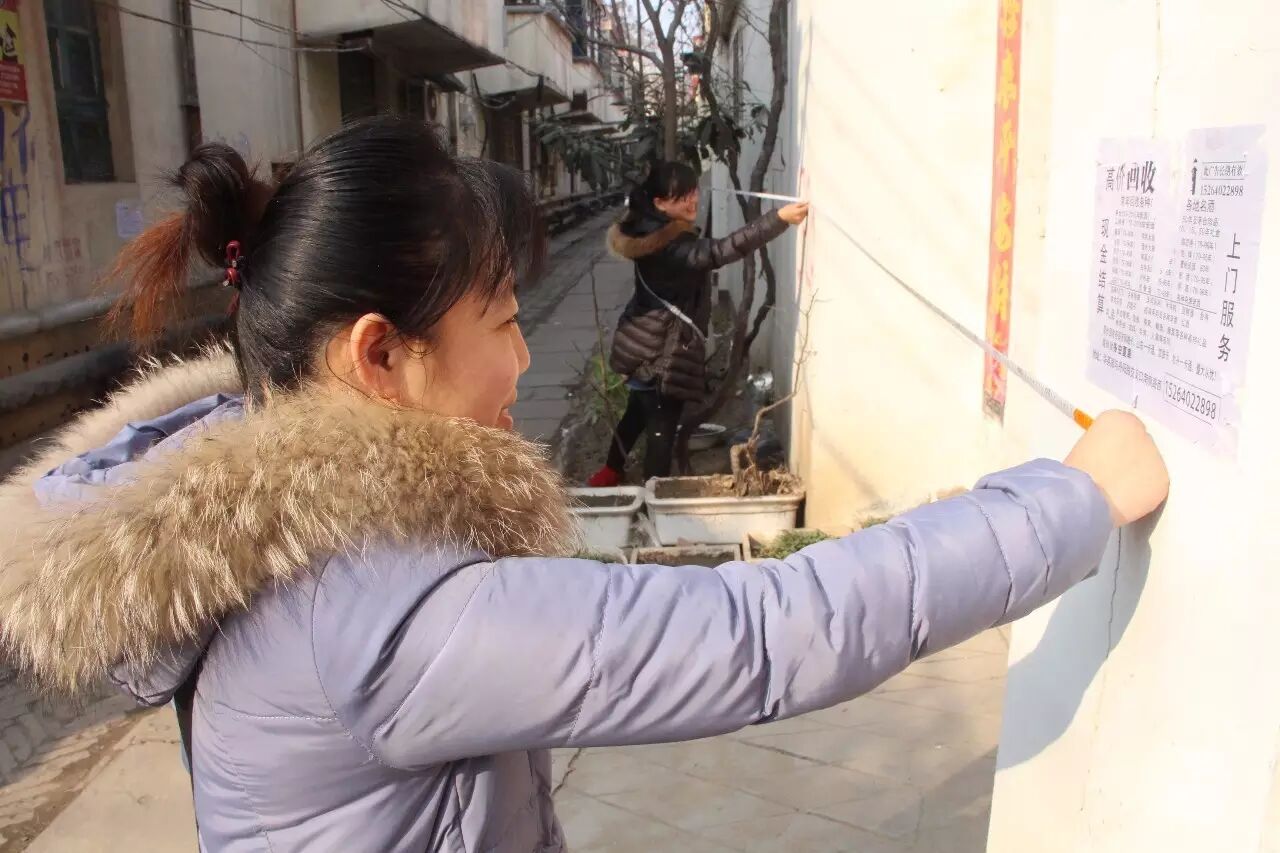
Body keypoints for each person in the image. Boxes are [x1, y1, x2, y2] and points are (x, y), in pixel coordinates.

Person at [0, 116, 1168, 853]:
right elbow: (761, 633)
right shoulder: (383, 610)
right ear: (379, 355)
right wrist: (1064, 502)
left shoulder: (252, 511)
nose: (522, 359)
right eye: (502, 319)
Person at [588, 161, 809, 486]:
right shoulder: (671, 245)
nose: (692, 200)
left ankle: (609, 472)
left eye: (693, 191)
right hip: (661, 353)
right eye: (681, 197)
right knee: (661, 431)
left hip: (643, 342)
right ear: (660, 203)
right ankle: (654, 498)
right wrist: (778, 219)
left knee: (636, 413)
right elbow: (720, 251)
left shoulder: (647, 230)